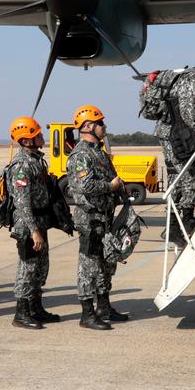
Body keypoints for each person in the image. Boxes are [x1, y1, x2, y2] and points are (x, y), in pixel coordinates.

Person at [66, 105, 125, 331]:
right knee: (88, 267)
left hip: (104, 218)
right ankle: (87, 314)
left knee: (105, 265)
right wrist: (110, 186)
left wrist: (119, 189)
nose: (104, 126)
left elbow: (110, 177)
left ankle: (104, 307)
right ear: (89, 126)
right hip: (90, 219)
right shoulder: (81, 154)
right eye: (100, 123)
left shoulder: (98, 152)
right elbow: (85, 185)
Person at [145, 65, 195, 237]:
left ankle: (172, 226)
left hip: (168, 132)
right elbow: (187, 113)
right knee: (193, 175)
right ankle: (187, 221)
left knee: (175, 179)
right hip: (175, 135)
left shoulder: (188, 76)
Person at [5, 116, 61, 329]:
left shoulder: (36, 160)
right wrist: (34, 231)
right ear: (27, 140)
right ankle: (21, 313)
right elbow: (22, 202)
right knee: (27, 268)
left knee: (40, 267)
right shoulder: (21, 165)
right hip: (28, 225)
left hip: (39, 222)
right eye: (38, 133)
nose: (42, 136)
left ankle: (36, 308)